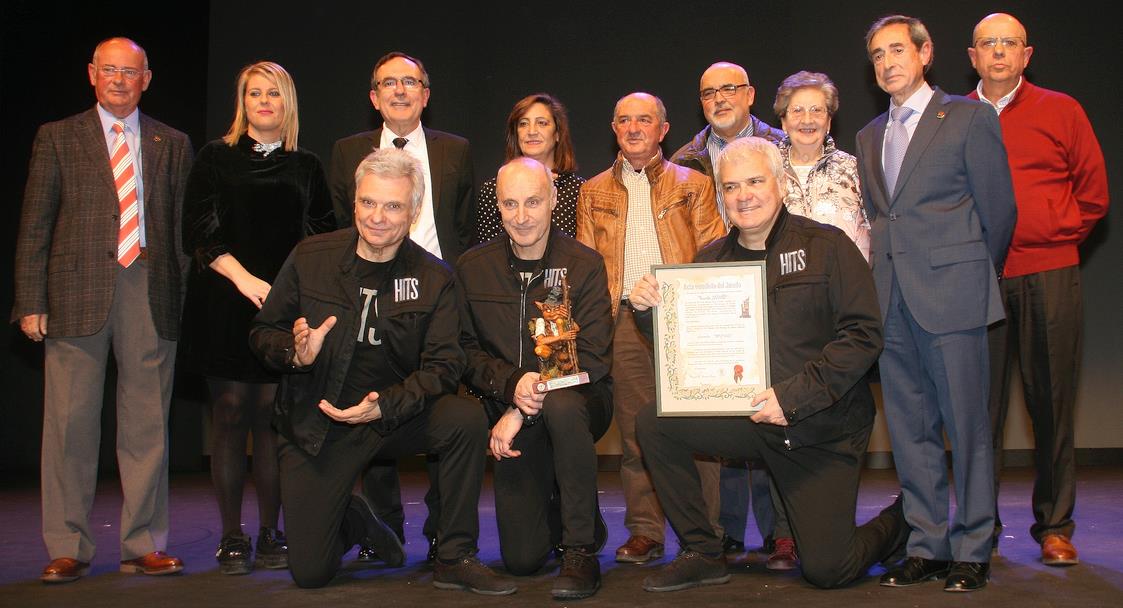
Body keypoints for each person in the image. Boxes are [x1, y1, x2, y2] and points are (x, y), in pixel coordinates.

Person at [631, 136, 907, 593]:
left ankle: (901, 520)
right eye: (732, 186)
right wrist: (649, 312)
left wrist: (793, 397)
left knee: (829, 569)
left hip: (822, 427)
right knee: (654, 421)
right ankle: (702, 551)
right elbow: (684, 356)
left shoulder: (828, 246)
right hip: (751, 418)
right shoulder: (710, 261)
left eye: (755, 181)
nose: (744, 195)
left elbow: (863, 336)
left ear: (780, 183)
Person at [248, 148, 514, 594]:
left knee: (464, 419)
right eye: (368, 202)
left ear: (412, 212)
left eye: (392, 206)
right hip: (319, 425)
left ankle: (454, 556)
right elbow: (263, 331)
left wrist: (384, 406)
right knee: (311, 573)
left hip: (394, 416)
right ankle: (355, 520)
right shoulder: (311, 257)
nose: (377, 217)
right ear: (354, 202)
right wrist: (294, 354)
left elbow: (445, 366)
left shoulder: (435, 278)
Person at [13, 37, 192, 584]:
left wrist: (186, 301)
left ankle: (143, 544)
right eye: (109, 70)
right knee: (69, 426)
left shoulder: (173, 142)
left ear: (147, 78)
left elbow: (183, 232)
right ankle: (68, 545)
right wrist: (29, 300)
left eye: (130, 71)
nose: (119, 79)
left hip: (150, 290)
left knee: (147, 426)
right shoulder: (58, 137)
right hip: (74, 293)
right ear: (91, 74)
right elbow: (36, 222)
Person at [855, 15, 1017, 592]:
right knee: (910, 431)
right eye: (877, 55)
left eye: (897, 49)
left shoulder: (970, 118)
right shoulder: (869, 135)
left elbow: (999, 214)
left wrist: (970, 275)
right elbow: (883, 219)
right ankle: (927, 544)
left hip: (954, 296)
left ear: (925, 53)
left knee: (968, 429)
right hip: (893, 301)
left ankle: (974, 547)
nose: (887, 62)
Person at [180, 61, 336, 574]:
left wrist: (293, 300)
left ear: (287, 102)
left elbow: (321, 237)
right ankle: (231, 537)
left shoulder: (306, 165)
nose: (263, 101)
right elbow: (200, 233)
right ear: (241, 102)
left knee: (272, 423)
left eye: (273, 93)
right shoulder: (214, 158)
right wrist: (246, 280)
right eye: (254, 93)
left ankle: (272, 534)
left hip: (284, 309)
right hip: (224, 301)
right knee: (228, 416)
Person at [966, 12, 1110, 566]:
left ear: (1027, 54)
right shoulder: (953, 115)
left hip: (1048, 274)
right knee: (980, 408)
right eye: (988, 44)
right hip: (978, 277)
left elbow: (1094, 192)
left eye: (1010, 43)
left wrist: (1051, 234)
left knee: (1052, 403)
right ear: (972, 55)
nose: (999, 52)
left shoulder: (1061, 109)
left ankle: (1054, 526)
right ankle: (982, 523)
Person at [327, 51, 474, 561]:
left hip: (437, 301)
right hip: (375, 298)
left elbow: (463, 228)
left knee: (441, 409)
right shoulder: (347, 153)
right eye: (388, 83)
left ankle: (440, 530)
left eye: (409, 82)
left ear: (425, 95)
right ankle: (383, 529)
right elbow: (338, 229)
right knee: (377, 404)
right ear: (374, 97)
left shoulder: (456, 151)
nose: (399, 91)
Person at [576, 92, 725, 564]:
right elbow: (583, 265)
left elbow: (714, 250)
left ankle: (706, 534)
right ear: (614, 129)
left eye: (645, 120)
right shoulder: (592, 191)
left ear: (664, 130)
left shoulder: (694, 184)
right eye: (624, 120)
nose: (634, 127)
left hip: (685, 317)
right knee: (636, 430)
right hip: (622, 321)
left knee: (700, 431)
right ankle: (646, 531)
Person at [459, 158, 614, 599]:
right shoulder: (473, 268)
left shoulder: (583, 264)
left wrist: (522, 402)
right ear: (498, 206)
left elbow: (595, 357)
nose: (522, 216)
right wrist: (512, 390)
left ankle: (580, 549)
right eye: (510, 204)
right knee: (522, 561)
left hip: (580, 402)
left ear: (553, 201)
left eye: (532, 202)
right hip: (512, 409)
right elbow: (463, 351)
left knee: (563, 407)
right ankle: (566, 499)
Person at [670, 61, 788, 562]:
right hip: (716, 295)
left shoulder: (782, 144)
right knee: (726, 410)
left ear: (750, 94)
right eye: (707, 93)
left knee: (774, 407)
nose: (719, 99)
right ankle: (728, 531)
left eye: (729, 90)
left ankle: (783, 529)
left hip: (779, 286)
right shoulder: (685, 158)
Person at [775, 70, 869, 261]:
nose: (807, 120)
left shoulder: (854, 169)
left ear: (829, 122)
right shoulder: (767, 171)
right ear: (783, 121)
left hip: (846, 284)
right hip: (783, 286)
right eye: (797, 110)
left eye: (817, 110)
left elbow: (875, 231)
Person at [476, 93, 583, 242]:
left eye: (542, 123)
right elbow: (485, 256)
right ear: (515, 134)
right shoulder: (491, 190)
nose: (531, 132)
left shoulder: (581, 191)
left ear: (558, 133)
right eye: (523, 124)